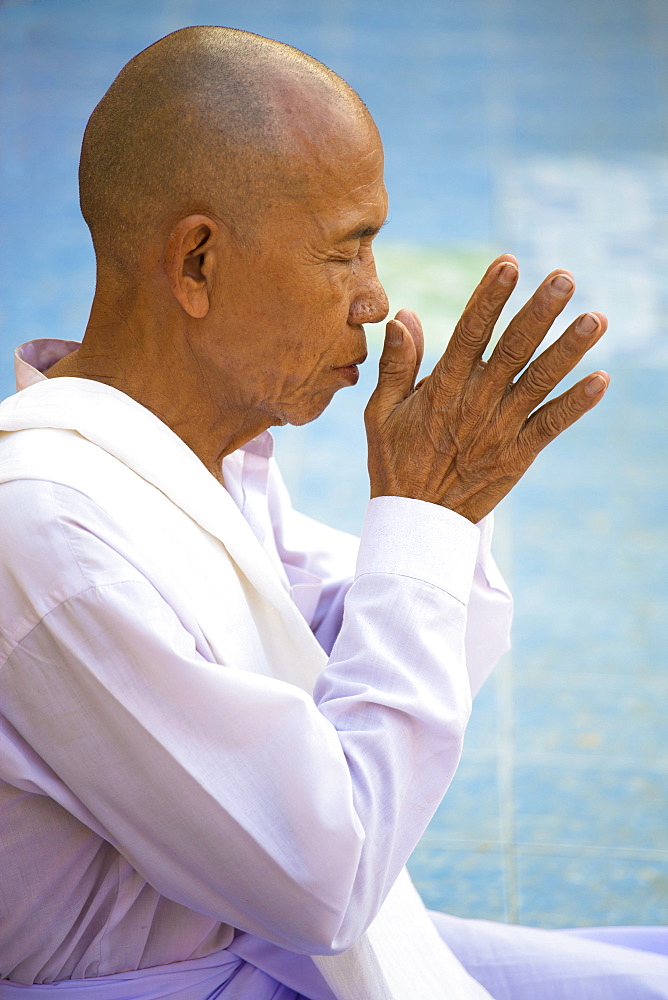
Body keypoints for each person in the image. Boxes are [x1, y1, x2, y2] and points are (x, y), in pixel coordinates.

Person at [0, 24, 666, 1000]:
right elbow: (325, 879)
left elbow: (410, 652)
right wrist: (421, 514)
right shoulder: (52, 537)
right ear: (196, 262)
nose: (373, 300)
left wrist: (443, 505)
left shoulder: (193, 463)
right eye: (344, 250)